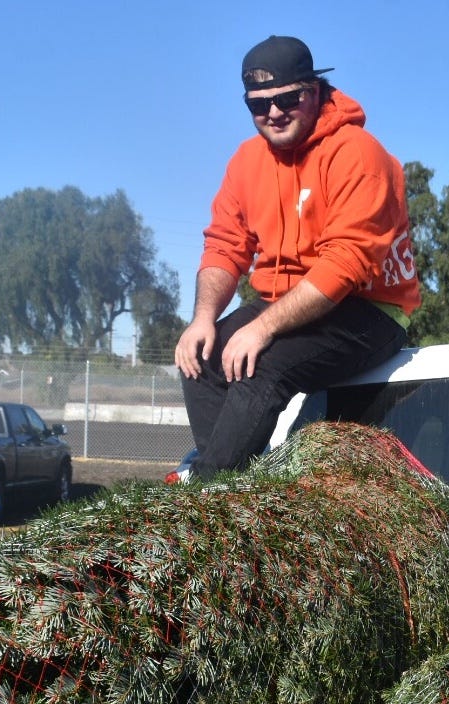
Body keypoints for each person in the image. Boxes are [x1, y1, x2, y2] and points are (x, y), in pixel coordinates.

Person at [174, 35, 420, 479]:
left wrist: (263, 328)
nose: (272, 112)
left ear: (314, 90)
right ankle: (243, 490)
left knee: (259, 364)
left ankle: (209, 500)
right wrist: (203, 318)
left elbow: (345, 263)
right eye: (257, 105)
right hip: (288, 301)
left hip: (368, 308)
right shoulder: (246, 161)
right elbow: (225, 244)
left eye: (287, 98)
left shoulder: (358, 154)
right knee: (202, 359)